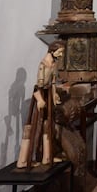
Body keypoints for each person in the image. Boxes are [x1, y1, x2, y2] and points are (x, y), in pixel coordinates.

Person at [16, 40, 65, 169]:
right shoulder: (43, 64)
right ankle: (22, 161)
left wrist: (54, 94)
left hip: (48, 94)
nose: (61, 55)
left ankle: (47, 157)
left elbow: (53, 82)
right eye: (59, 52)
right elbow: (38, 85)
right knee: (31, 128)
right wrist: (39, 100)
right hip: (40, 95)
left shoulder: (53, 64)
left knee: (47, 125)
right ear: (52, 51)